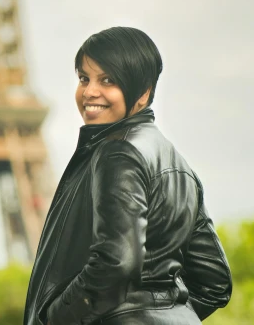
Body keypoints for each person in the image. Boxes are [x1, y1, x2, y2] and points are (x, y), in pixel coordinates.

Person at [23, 26, 232, 325]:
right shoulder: (178, 164)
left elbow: (116, 262)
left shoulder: (117, 152)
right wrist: (165, 315)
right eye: (84, 78)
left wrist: (55, 320)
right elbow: (215, 283)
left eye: (107, 80)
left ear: (143, 91)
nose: (90, 91)